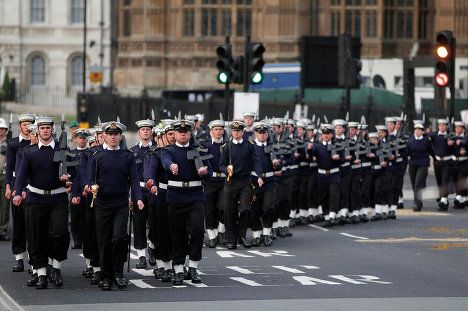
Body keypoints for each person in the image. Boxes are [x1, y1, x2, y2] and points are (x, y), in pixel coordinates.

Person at [13, 117, 72, 289]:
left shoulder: (63, 150)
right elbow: (22, 174)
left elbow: (74, 172)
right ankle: (41, 274)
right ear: (37, 130)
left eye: (48, 127)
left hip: (58, 198)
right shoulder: (29, 152)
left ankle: (56, 267)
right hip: (36, 199)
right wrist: (17, 192)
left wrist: (69, 179)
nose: (45, 130)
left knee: (59, 234)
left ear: (52, 130)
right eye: (42, 128)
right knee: (37, 237)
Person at [87, 120, 144, 291]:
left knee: (119, 238)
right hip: (102, 204)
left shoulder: (127, 156)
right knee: (103, 240)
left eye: (116, 134)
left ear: (120, 136)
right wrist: (91, 187)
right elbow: (91, 179)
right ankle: (105, 275)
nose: (113, 137)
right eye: (110, 134)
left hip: (120, 204)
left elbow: (134, 180)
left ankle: (118, 273)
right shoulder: (97, 156)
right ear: (104, 136)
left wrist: (138, 198)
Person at [161, 120, 212, 285]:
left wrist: (205, 172)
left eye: (186, 131)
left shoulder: (198, 150)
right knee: (177, 234)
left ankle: (193, 266)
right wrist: (171, 166)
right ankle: (178, 268)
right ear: (174, 134)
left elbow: (210, 173)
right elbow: (166, 161)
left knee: (197, 231)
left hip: (195, 195)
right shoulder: (168, 150)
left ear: (190, 133)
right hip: (176, 197)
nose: (183, 134)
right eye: (179, 132)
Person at [220, 121, 262, 249]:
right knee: (229, 211)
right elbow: (221, 165)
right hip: (230, 182)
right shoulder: (226, 146)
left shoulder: (249, 145)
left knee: (245, 209)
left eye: (239, 131)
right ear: (231, 132)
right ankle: (231, 239)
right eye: (234, 131)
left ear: (243, 132)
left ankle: (241, 235)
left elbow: (256, 161)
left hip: (245, 182)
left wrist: (259, 175)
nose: (236, 133)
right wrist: (226, 169)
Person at [5, 114, 35, 272]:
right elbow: (10, 167)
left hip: (33, 185)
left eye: (30, 124)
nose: (27, 127)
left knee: (32, 223)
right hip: (17, 184)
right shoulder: (13, 144)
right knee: (18, 224)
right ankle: (19, 258)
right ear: (20, 127)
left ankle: (33, 257)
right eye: (24, 124)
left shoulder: (36, 143)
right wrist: (9, 187)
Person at [249, 121, 280, 247]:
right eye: (259, 132)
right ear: (255, 133)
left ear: (267, 134)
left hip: (269, 181)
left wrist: (277, 164)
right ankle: (256, 235)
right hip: (255, 181)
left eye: (264, 132)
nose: (262, 135)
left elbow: (279, 164)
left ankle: (266, 234)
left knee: (268, 207)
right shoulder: (250, 147)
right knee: (255, 209)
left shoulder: (272, 147)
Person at [130, 119, 155, 269]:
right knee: (139, 224)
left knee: (155, 223)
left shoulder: (157, 150)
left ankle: (152, 248)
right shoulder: (132, 152)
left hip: (154, 191)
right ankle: (141, 256)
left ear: (152, 132)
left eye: (148, 129)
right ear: (139, 132)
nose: (145, 131)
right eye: (143, 129)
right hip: (138, 191)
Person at [200, 120, 226, 248]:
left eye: (221, 129)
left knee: (223, 207)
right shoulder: (204, 145)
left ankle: (221, 231)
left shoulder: (228, 145)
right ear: (211, 131)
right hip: (210, 181)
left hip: (225, 181)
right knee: (210, 210)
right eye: (216, 129)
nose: (219, 132)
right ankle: (212, 236)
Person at [310, 124, 343, 228]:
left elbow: (344, 159)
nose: (326, 135)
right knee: (323, 196)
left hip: (334, 174)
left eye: (328, 133)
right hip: (322, 174)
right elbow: (311, 154)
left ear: (332, 135)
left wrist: (339, 159)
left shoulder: (337, 145)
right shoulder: (317, 146)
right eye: (324, 133)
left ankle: (332, 216)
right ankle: (327, 217)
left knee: (334, 195)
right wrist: (309, 149)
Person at [407, 122, 435, 212]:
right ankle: (419, 200)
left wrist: (435, 159)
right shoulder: (410, 140)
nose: (417, 131)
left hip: (423, 164)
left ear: (423, 131)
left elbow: (431, 151)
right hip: (413, 164)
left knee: (417, 185)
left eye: (419, 130)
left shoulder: (426, 140)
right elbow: (406, 152)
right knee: (414, 184)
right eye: (416, 129)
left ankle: (416, 204)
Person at [428, 119, 454, 211]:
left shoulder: (451, 135)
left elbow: (456, 146)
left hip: (447, 162)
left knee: (445, 181)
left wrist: (452, 144)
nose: (441, 127)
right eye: (440, 125)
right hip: (437, 162)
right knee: (439, 181)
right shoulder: (434, 135)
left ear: (446, 126)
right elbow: (427, 139)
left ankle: (443, 200)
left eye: (443, 125)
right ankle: (444, 200)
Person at [450, 121, 467, 209]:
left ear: (463, 129)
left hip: (464, 162)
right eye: (456, 127)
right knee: (456, 180)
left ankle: (459, 197)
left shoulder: (466, 138)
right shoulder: (452, 137)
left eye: (460, 127)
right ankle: (462, 199)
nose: (457, 129)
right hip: (454, 162)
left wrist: (466, 152)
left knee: (461, 180)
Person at [0, 118, 9, 241]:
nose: (1, 131)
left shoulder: (9, 143)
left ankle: (2, 230)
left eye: (2, 129)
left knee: (4, 204)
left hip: (4, 174)